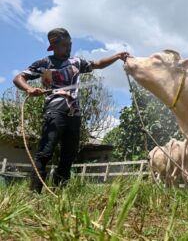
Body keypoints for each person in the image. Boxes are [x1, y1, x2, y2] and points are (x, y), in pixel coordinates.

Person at [13, 28, 129, 193]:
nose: (68, 48)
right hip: (55, 111)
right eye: (64, 45)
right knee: (45, 152)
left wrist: (117, 56)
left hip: (74, 114)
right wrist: (29, 89)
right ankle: (34, 193)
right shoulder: (44, 63)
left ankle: (59, 193)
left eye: (70, 44)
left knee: (68, 156)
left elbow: (97, 64)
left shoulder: (76, 62)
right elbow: (19, 78)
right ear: (54, 46)